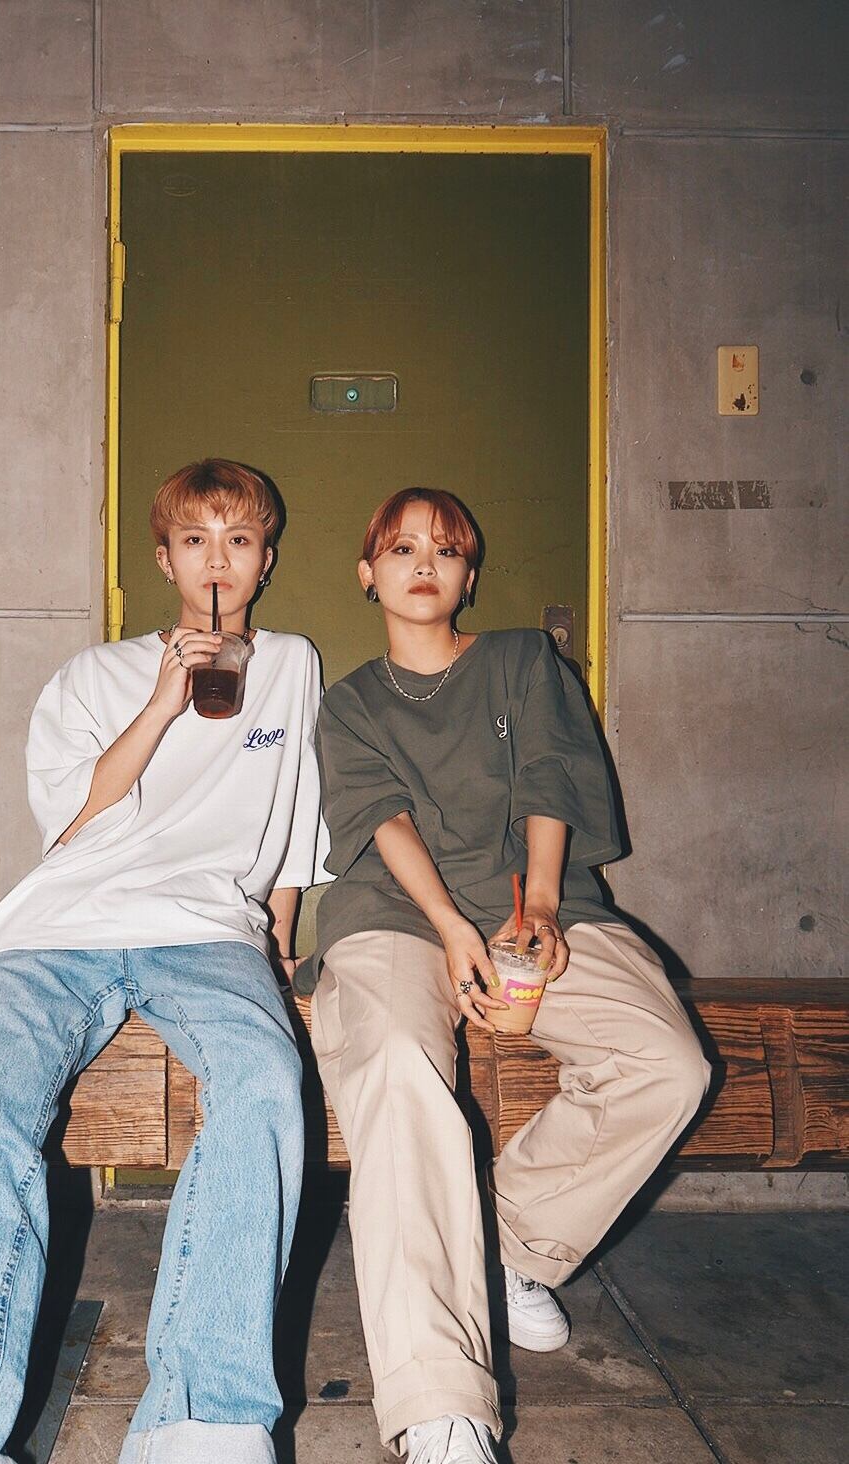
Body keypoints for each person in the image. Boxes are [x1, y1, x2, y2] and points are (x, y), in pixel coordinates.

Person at [0, 459, 327, 1464]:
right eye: (197, 541)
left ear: (265, 561)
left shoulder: (291, 665)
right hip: (55, 925)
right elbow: (70, 825)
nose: (219, 561)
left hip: (207, 927)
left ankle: (204, 1417)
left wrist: (277, 938)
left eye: (240, 540)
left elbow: (293, 821)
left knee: (263, 1084)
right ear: (164, 559)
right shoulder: (90, 677)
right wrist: (162, 701)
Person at [295, 488, 711, 1463]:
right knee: (397, 1066)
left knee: (667, 1062)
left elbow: (551, 778)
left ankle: (513, 1245)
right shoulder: (348, 701)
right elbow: (380, 817)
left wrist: (543, 908)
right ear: (367, 574)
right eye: (401, 548)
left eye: (446, 549)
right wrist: (448, 927)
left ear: (469, 574)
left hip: (534, 906)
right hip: (396, 914)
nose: (423, 563)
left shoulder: (526, 660)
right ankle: (443, 1412)